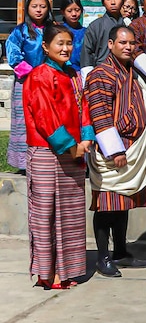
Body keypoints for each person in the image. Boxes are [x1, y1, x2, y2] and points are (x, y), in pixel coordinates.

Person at [23, 24, 94, 289]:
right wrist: (70, 145)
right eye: (59, 44)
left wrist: (86, 138)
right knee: (47, 214)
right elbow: (44, 116)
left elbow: (83, 105)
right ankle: (48, 272)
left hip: (74, 150)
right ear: (45, 47)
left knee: (70, 213)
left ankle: (67, 270)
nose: (65, 48)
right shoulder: (40, 75)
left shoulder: (74, 74)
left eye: (68, 43)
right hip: (47, 151)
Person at [85, 25, 146, 277]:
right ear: (110, 44)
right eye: (123, 43)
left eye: (132, 44)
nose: (128, 47)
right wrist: (114, 150)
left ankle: (121, 252)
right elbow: (100, 114)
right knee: (107, 205)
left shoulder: (132, 71)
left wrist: (138, 58)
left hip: (133, 148)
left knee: (123, 204)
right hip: (113, 150)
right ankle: (103, 257)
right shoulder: (101, 74)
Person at [7, 0, 53, 170]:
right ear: (28, 9)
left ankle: (45, 158)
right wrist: (33, 74)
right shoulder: (20, 31)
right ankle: (23, 162)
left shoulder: (53, 29)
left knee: (48, 118)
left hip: (49, 81)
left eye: (42, 6)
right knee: (24, 120)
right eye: (35, 6)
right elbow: (13, 56)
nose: (39, 10)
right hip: (25, 82)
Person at [81, 0, 125, 77]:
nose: (113, 2)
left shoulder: (128, 25)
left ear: (122, 2)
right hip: (101, 71)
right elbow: (87, 51)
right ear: (103, 3)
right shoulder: (95, 26)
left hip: (124, 71)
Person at [59, 0, 86, 72]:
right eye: (69, 11)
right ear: (63, 12)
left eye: (77, 10)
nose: (74, 14)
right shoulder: (58, 32)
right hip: (62, 71)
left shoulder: (87, 32)